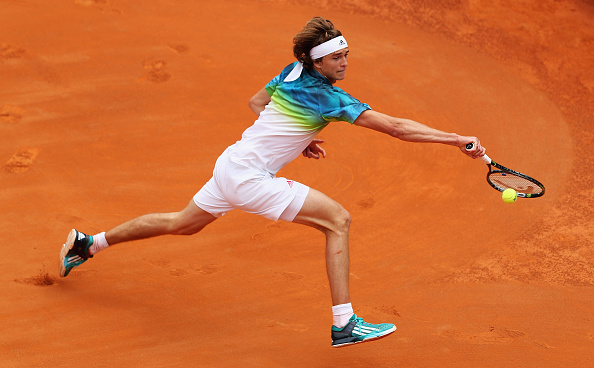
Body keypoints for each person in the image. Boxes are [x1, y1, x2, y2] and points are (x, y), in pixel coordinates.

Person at [59, 17, 486, 347]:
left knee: (181, 223)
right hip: (249, 177)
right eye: (336, 58)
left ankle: (88, 243)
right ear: (316, 61)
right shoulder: (329, 97)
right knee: (338, 220)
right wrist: (455, 140)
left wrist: (295, 138)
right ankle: (345, 325)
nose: (344, 63)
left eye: (346, 54)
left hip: (231, 164)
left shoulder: (291, 73)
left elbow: (257, 103)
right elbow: (394, 127)